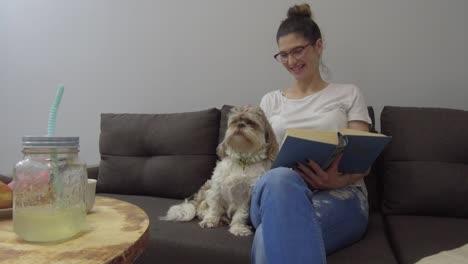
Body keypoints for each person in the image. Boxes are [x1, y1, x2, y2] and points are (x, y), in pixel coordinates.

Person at [250, 4, 372, 264]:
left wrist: (335, 181)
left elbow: (363, 159)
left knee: (265, 238)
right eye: (283, 55)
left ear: (318, 46)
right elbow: (255, 157)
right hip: (275, 193)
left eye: (297, 50)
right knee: (279, 178)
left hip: (342, 195)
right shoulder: (270, 102)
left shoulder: (348, 94)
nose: (291, 61)